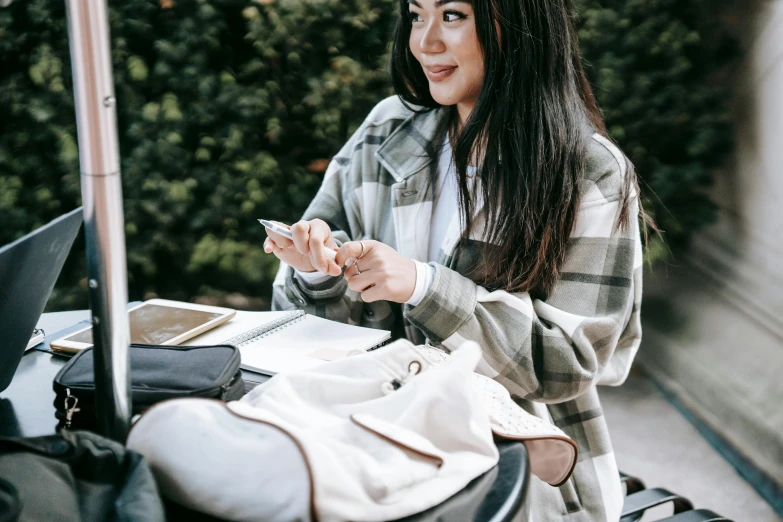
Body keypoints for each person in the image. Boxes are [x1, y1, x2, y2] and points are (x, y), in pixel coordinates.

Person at [264, 0, 646, 520]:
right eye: (417, 15)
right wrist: (314, 269)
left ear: (520, 22)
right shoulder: (388, 130)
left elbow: (569, 362)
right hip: (371, 439)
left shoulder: (589, 172)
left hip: (518, 470)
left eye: (452, 16)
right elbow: (313, 331)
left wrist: (423, 287)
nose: (425, 43)